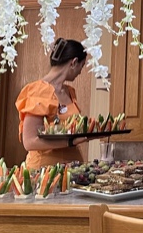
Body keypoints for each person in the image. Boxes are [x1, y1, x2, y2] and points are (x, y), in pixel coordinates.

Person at [15, 38, 89, 168]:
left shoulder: (70, 92)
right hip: (45, 171)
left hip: (73, 170)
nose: (80, 72)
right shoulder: (38, 91)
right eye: (81, 66)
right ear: (74, 62)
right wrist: (70, 142)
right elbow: (30, 142)